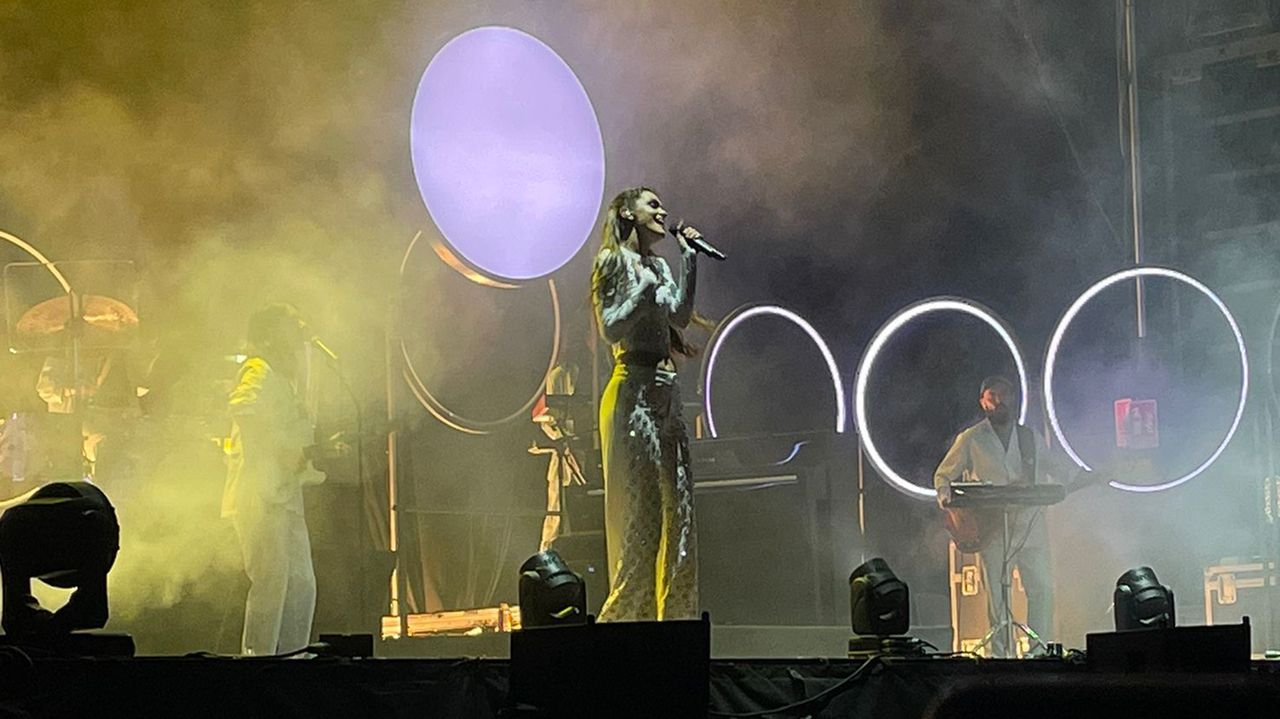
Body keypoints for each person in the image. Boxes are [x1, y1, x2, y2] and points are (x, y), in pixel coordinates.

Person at [591, 186, 702, 621]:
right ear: (627, 212)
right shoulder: (611, 261)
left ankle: (674, 619)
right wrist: (641, 293)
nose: (663, 211)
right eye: (653, 204)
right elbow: (610, 328)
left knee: (682, 514)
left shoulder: (659, 264)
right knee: (644, 514)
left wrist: (689, 262)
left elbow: (677, 316)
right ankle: (624, 622)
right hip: (632, 390)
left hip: (667, 393)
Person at [933, 376, 1074, 656]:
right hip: (991, 528)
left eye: (1004, 394)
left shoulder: (1029, 438)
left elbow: (1061, 471)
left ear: (1014, 398)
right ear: (983, 401)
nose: (999, 401)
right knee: (997, 593)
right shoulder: (971, 438)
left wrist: (1094, 476)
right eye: (992, 395)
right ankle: (1000, 652)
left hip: (1030, 526)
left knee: (1041, 588)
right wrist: (955, 509)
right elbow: (943, 476)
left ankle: (1038, 650)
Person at [221, 304, 324, 655]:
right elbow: (243, 409)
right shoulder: (257, 369)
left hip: (284, 495)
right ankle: (259, 661)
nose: (296, 335)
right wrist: (282, 450)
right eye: (288, 328)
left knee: (301, 583)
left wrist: (312, 453)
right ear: (268, 335)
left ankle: (291, 656)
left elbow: (293, 444)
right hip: (260, 494)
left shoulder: (283, 380)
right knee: (272, 582)